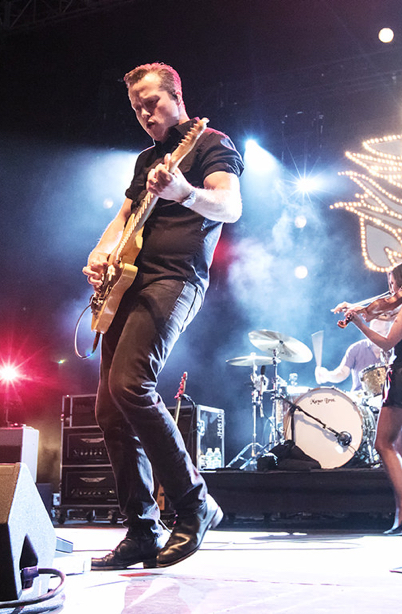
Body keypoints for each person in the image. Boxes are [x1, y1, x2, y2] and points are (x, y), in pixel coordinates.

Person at [83, 63, 243, 569]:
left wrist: (186, 194)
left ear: (177, 94)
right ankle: (142, 528)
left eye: (152, 102)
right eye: (136, 108)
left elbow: (229, 206)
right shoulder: (145, 160)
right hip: (126, 280)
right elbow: (126, 215)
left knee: (132, 385)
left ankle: (196, 505)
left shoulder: (211, 143)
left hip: (175, 278)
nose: (145, 114)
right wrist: (102, 250)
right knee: (109, 409)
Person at [336, 261, 402, 535]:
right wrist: (360, 309)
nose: (390, 290)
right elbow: (382, 310)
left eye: (392, 284)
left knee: (383, 443)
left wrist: (358, 321)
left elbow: (385, 343)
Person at [315, 315, 393, 393]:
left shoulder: (394, 351)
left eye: (378, 332)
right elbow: (342, 373)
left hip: (388, 399)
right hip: (360, 400)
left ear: (387, 332)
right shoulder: (356, 349)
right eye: (372, 331)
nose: (373, 336)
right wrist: (327, 375)